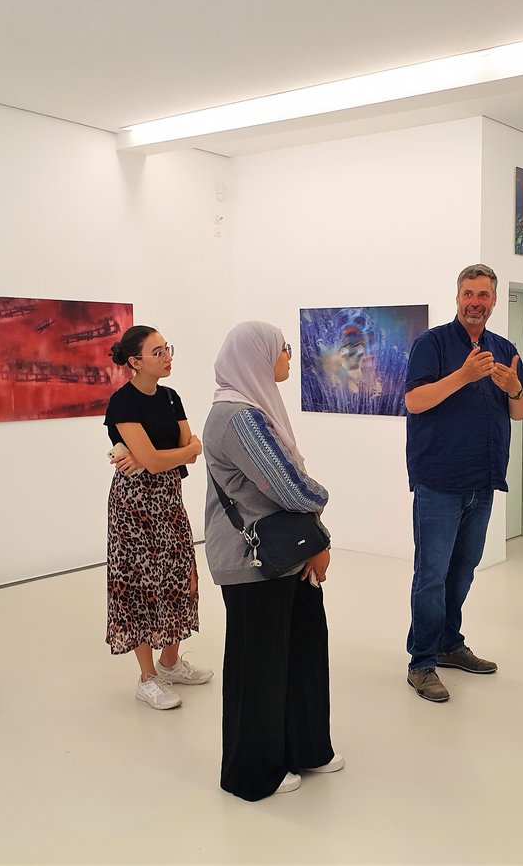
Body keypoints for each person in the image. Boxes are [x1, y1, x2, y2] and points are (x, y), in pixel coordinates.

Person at [202, 322, 339, 800]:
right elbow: (287, 486)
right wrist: (322, 500)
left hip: (282, 554)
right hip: (252, 561)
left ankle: (305, 747)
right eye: (283, 349)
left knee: (301, 648)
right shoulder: (238, 416)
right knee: (258, 665)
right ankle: (251, 771)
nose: (288, 358)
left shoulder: (254, 408)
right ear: (258, 356)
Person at [403, 264, 523, 702]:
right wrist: (463, 376)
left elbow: (520, 412)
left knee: (463, 569)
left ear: (494, 301)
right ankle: (421, 661)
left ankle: (448, 643)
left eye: (484, 295)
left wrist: (514, 387)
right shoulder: (431, 344)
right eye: (469, 294)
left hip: (483, 479)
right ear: (458, 297)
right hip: (438, 480)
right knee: (432, 574)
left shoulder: (505, 349)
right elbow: (414, 401)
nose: (476, 302)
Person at [105, 325, 211, 710]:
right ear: (135, 362)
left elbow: (190, 446)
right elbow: (160, 457)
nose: (167, 356)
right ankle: (147, 677)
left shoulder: (170, 397)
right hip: (134, 508)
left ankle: (169, 663)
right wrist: (172, 454)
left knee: (180, 575)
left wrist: (163, 455)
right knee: (141, 584)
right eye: (157, 352)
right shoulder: (123, 403)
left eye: (167, 348)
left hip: (168, 500)